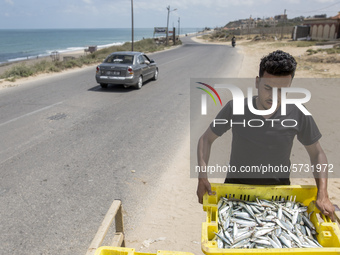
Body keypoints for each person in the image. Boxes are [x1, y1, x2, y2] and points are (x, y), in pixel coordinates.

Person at [196, 50, 335, 221]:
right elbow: (205, 139)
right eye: (268, 88)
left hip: (280, 196)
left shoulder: (299, 113)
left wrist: (323, 193)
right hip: (235, 192)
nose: (273, 96)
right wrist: (202, 177)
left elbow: (317, 153)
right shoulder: (236, 107)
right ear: (257, 82)